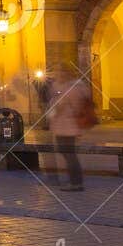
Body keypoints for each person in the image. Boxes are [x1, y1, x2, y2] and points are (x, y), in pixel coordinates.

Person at [46, 64, 95, 192]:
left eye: (61, 72)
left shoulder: (72, 87)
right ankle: (74, 180)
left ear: (68, 73)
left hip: (68, 126)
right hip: (63, 126)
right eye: (57, 72)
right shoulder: (66, 85)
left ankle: (76, 183)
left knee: (69, 154)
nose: (58, 74)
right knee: (67, 153)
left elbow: (61, 105)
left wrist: (54, 109)